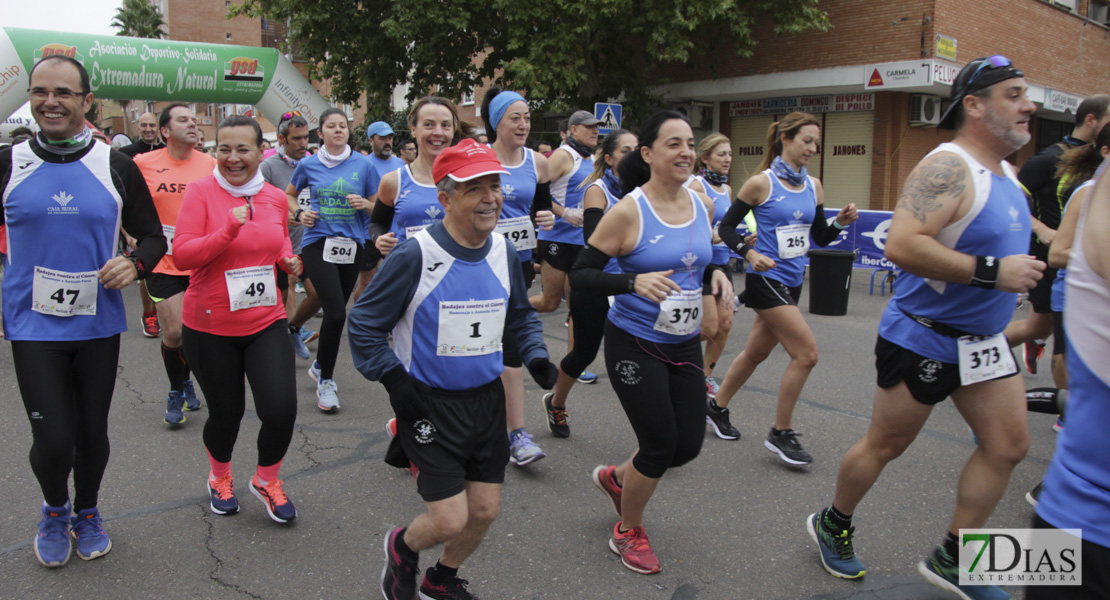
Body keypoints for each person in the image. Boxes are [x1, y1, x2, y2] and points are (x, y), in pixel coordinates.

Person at [806, 56, 1043, 600]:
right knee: (886, 445)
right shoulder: (948, 166)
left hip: (983, 345)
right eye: (1014, 94)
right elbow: (901, 245)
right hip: (924, 335)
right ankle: (833, 521)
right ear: (975, 106)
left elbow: (1012, 230)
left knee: (1008, 445)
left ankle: (957, 556)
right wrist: (994, 273)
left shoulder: (1006, 173)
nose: (1028, 104)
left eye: (1026, 93)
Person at [348, 139, 558, 600]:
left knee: (484, 511)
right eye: (474, 189)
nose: (491, 197)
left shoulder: (504, 250)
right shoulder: (415, 255)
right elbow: (363, 324)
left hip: (486, 402)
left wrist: (536, 354)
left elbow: (520, 315)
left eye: (495, 186)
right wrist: (397, 384)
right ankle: (401, 549)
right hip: (428, 405)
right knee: (448, 518)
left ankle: (439, 580)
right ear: (444, 199)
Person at [1, 55, 166, 567]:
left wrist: (134, 264)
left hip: (96, 323)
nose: (51, 101)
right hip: (32, 324)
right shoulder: (7, 162)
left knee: (92, 432)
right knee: (53, 439)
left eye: (64, 93)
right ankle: (55, 509)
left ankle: (88, 511)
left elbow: (154, 237)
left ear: (85, 100)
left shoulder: (114, 164)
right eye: (40, 91)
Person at [574, 111, 731, 575]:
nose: (686, 152)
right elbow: (583, 275)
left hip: (681, 342)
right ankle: (628, 530)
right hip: (635, 341)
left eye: (690, 143)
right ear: (648, 153)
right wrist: (630, 283)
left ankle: (619, 478)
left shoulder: (701, 204)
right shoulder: (628, 211)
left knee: (687, 447)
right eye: (673, 144)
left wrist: (715, 280)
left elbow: (702, 260)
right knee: (660, 444)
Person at [174, 115, 302, 524]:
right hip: (210, 327)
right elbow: (184, 255)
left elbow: (278, 236)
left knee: (280, 410)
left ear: (259, 152)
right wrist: (227, 229)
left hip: (265, 320)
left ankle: (266, 480)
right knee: (226, 414)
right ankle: (220, 477)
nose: (232, 158)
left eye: (242, 148)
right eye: (223, 149)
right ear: (215, 152)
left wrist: (287, 258)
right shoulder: (200, 193)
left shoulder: (274, 197)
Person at [712, 112, 858, 460]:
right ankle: (781, 432)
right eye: (807, 140)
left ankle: (715, 407)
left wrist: (838, 222)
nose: (812, 148)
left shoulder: (814, 185)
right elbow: (728, 229)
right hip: (766, 280)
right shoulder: (761, 184)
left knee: (756, 352)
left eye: (816, 142)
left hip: (793, 281)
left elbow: (820, 236)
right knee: (806, 355)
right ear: (786, 140)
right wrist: (749, 254)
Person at [1028, 151, 1110, 600]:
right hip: (1084, 525)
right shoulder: (1094, 194)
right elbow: (1058, 251)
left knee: (1005, 443)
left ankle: (960, 554)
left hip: (1073, 520)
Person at [1004, 95, 1110, 375]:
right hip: (1052, 258)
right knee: (1064, 339)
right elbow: (1010, 203)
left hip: (1087, 261)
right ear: (1092, 120)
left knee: (1039, 327)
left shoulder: (1095, 160)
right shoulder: (1047, 160)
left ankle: (984, 353)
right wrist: (1041, 228)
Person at [541, 128, 636, 438]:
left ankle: (652, 428)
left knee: (635, 355)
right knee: (584, 352)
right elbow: (593, 240)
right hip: (597, 283)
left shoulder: (645, 190)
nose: (633, 156)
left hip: (631, 285)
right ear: (608, 159)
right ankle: (556, 402)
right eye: (625, 151)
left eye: (637, 149)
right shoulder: (598, 190)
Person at [479, 87, 556, 465]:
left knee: (508, 338)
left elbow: (541, 212)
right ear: (496, 122)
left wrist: (548, 219)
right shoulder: (478, 158)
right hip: (479, 261)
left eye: (527, 117)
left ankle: (516, 434)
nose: (524, 124)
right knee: (481, 339)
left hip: (519, 261)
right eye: (515, 117)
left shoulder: (538, 163)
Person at [286, 107, 379, 412]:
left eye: (343, 126)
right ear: (321, 132)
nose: (338, 130)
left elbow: (378, 207)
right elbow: (288, 195)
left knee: (336, 314)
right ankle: (326, 380)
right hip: (317, 244)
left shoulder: (363, 165)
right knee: (337, 313)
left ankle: (320, 364)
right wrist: (299, 213)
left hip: (352, 245)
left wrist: (364, 203)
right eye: (331, 126)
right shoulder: (308, 164)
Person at [135, 103, 217, 426]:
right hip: (163, 261)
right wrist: (132, 235)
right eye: (184, 120)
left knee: (195, 335)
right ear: (165, 131)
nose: (193, 125)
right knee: (173, 332)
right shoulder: (143, 163)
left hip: (199, 261)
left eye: (195, 120)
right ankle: (175, 388)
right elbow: (123, 200)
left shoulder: (210, 164)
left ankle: (186, 379)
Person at [532, 110, 604, 384]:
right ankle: (508, 312)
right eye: (589, 128)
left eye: (597, 128)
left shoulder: (593, 159)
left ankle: (574, 364)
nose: (594, 132)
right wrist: (565, 214)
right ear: (573, 130)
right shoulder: (562, 156)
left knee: (578, 306)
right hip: (555, 239)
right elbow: (537, 193)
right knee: (550, 302)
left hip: (582, 242)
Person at [370, 96, 472, 259]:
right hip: (409, 275)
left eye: (445, 125)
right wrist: (379, 239)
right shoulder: (394, 181)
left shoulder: (467, 179)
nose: (438, 132)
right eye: (429, 125)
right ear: (413, 129)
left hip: (454, 274)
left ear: (453, 130)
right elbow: (377, 224)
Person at [260, 112, 320, 360]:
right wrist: (283, 217)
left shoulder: (314, 163)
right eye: (296, 139)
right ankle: (271, 343)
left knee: (318, 293)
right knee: (280, 297)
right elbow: (258, 204)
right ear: (281, 138)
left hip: (308, 243)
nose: (303, 143)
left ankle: (294, 328)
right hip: (278, 246)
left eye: (306, 137)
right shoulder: (268, 167)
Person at [685, 133, 736, 405]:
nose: (728, 159)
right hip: (701, 264)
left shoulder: (726, 189)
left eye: (729, 154)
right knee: (709, 327)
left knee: (726, 324)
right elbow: (694, 231)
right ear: (705, 158)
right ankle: (679, 362)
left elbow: (726, 227)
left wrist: (743, 242)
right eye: (721, 154)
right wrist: (719, 237)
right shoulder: (696, 186)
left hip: (723, 262)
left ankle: (705, 376)